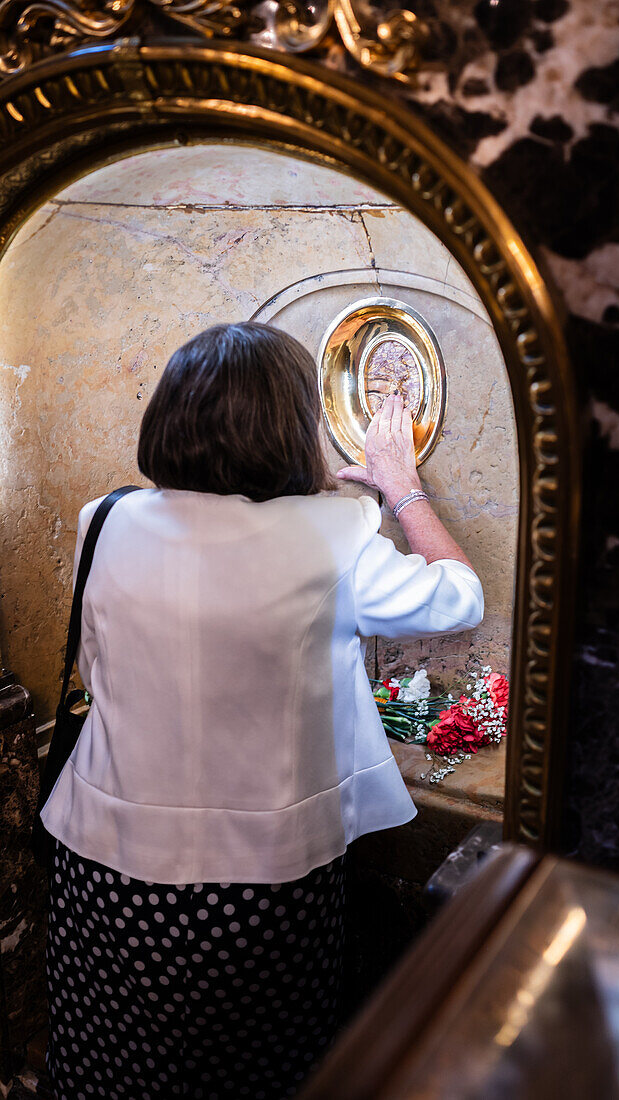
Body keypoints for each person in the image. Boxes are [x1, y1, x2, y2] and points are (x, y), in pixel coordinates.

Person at [40, 321, 483, 1099]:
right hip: (258, 892)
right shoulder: (333, 533)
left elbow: (98, 661)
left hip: (102, 868)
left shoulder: (103, 520)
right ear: (290, 428)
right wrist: (401, 486)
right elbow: (459, 597)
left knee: (111, 1068)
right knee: (253, 1075)